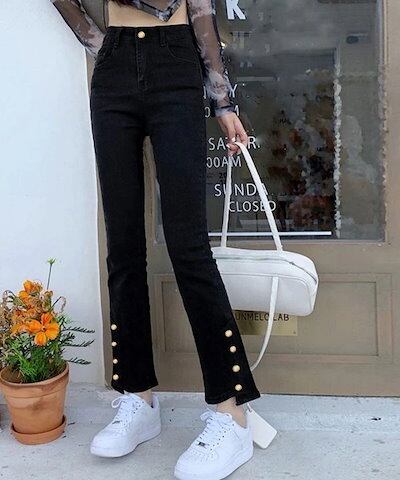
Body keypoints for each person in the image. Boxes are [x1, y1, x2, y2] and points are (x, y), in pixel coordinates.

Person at [51, 0, 261, 478]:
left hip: (175, 60)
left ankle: (232, 413)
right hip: (114, 69)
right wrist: (100, 43)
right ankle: (138, 397)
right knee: (123, 248)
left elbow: (201, 7)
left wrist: (222, 99)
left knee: (190, 248)